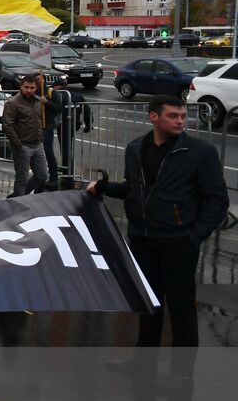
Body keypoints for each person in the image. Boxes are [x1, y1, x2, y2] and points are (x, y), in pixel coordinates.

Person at [88, 96, 228, 348]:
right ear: (153, 116)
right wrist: (105, 188)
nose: (180, 121)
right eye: (173, 116)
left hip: (179, 243)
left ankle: (181, 375)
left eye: (183, 116)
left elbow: (217, 201)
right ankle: (143, 362)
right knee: (148, 303)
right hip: (142, 240)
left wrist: (194, 238)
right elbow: (134, 189)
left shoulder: (200, 152)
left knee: (181, 309)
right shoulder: (135, 149)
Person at [1, 75, 47, 196]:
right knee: (22, 177)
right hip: (23, 145)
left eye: (32, 87)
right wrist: (18, 144)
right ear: (21, 86)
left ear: (36, 88)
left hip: (37, 144)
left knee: (42, 175)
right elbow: (7, 125)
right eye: (26, 87)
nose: (29, 90)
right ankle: (19, 203)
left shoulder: (37, 101)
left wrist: (41, 138)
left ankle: (18, 196)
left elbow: (39, 120)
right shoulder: (13, 103)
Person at [43, 75, 72, 188]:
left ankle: (56, 176)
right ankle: (43, 175)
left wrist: (46, 102)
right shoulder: (33, 93)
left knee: (49, 150)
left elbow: (57, 108)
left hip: (48, 126)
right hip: (36, 127)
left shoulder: (52, 92)